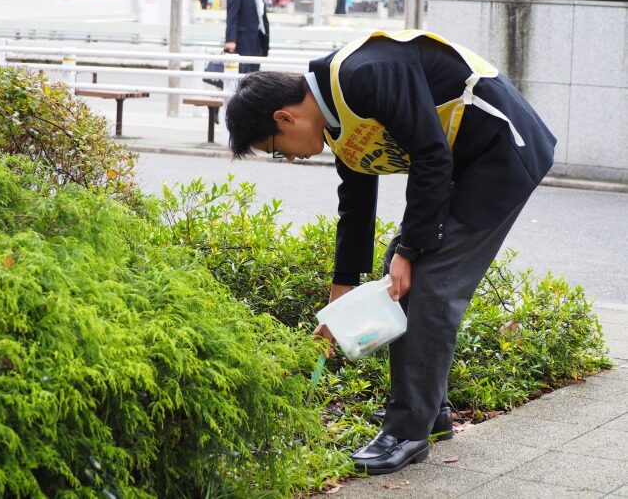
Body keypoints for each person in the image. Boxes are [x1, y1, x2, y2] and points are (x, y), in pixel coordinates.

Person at [224, 30, 556, 475]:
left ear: (284, 118)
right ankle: (428, 412)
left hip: (502, 152)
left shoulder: (364, 76)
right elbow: (356, 205)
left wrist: (413, 248)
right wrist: (338, 301)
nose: (288, 158)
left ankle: (408, 432)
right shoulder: (334, 116)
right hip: (461, 162)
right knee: (396, 274)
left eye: (275, 151)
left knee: (431, 284)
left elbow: (431, 155)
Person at [225, 0, 270, 73]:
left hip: (258, 43)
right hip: (243, 43)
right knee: (242, 78)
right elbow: (232, 15)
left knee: (254, 78)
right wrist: (230, 40)